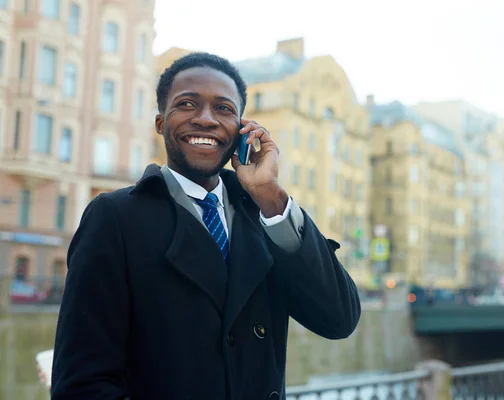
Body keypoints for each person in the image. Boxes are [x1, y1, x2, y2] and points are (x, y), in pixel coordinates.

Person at [51, 52, 361, 400]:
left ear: (242, 129)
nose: (206, 119)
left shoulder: (265, 217)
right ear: (159, 122)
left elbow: (339, 319)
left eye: (224, 109)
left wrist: (270, 196)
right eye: (187, 104)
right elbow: (82, 384)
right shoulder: (115, 217)